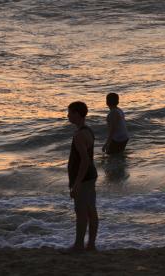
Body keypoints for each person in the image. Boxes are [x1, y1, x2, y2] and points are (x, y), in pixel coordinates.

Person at [67, 101, 99, 252]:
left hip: (84, 177)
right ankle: (91, 244)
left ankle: (79, 245)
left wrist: (77, 183)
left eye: (70, 112)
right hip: (91, 175)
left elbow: (84, 160)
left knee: (81, 212)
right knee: (91, 210)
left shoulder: (79, 135)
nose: (68, 115)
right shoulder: (89, 131)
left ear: (77, 114)